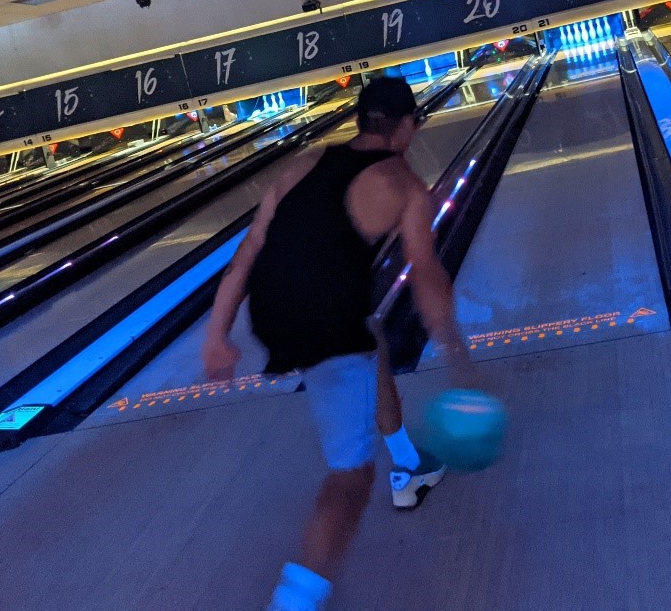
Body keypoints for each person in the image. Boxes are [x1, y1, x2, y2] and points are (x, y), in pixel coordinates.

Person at [201, 76, 474, 611]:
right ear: (407, 126)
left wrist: (217, 335)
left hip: (270, 315)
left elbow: (248, 252)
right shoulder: (405, 184)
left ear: (359, 121)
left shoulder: (303, 165)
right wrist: (460, 358)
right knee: (350, 477)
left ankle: (408, 462)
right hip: (326, 326)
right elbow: (426, 276)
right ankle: (293, 602)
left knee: (373, 337)